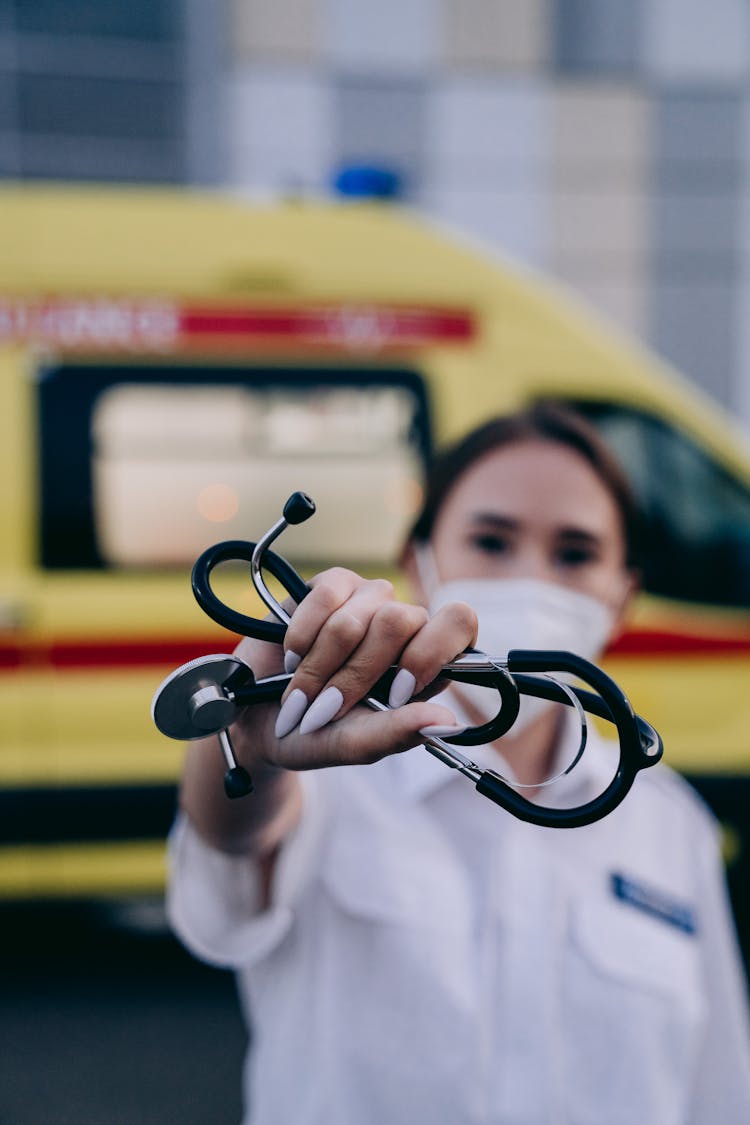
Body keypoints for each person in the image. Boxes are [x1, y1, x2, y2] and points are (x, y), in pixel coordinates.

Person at [167, 403, 750, 1124]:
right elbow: (233, 842)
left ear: (621, 596)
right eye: (491, 539)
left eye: (575, 553)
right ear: (419, 563)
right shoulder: (333, 782)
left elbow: (718, 1092)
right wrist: (254, 755)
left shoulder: (671, 826)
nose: (533, 576)